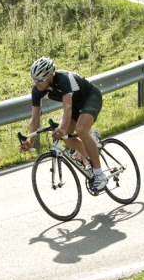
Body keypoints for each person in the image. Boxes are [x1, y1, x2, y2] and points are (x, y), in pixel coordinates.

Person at [20, 56, 108, 192]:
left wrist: (62, 128)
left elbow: (67, 108)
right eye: (34, 79)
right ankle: (89, 156)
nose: (36, 83)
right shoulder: (37, 90)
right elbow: (35, 119)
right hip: (75, 105)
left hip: (90, 97)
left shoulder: (63, 79)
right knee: (64, 137)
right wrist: (30, 141)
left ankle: (99, 174)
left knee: (80, 129)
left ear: (49, 76)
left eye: (39, 80)